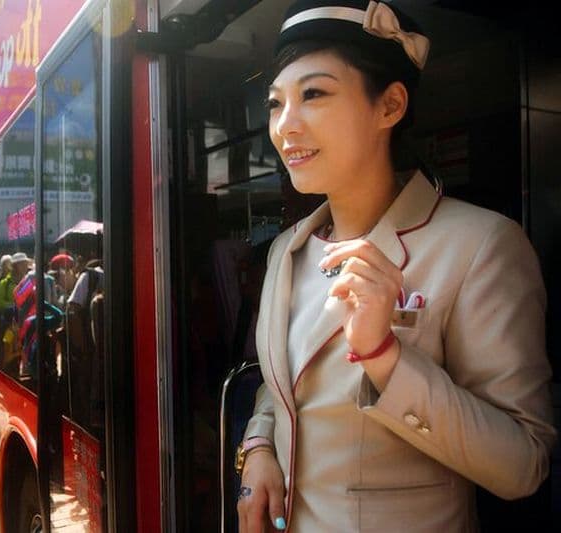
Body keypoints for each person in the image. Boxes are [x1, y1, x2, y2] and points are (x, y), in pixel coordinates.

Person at [236, 2, 556, 531]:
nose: (285, 126)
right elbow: (281, 384)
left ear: (390, 106)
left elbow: (524, 464)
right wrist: (259, 445)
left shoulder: (480, 246)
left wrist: (385, 357)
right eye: (275, 103)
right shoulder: (287, 249)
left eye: (313, 94)